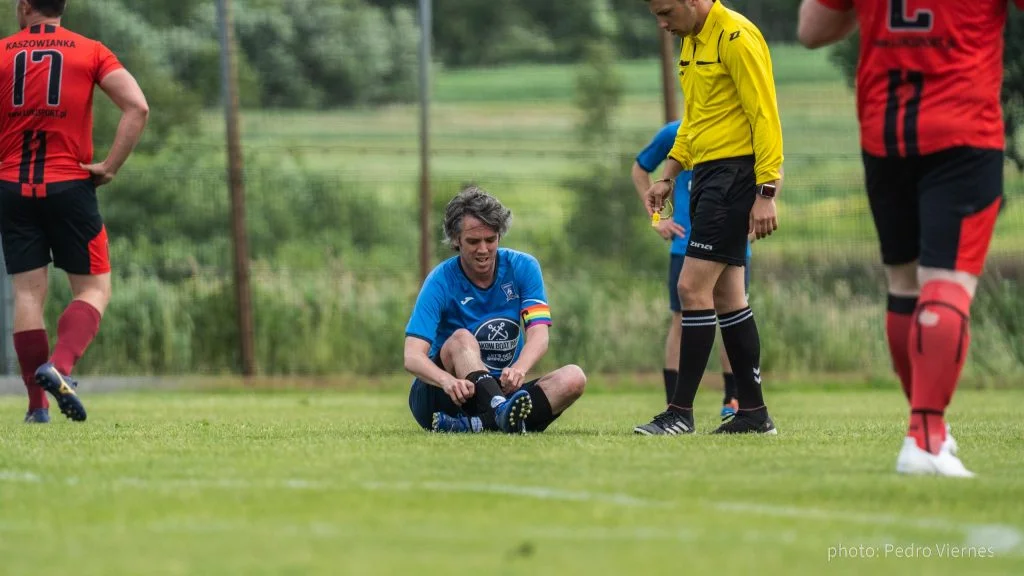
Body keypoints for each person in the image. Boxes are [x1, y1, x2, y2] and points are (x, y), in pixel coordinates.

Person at [797, 0, 1022, 476]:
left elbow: (812, 30)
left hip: (885, 130)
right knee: (947, 283)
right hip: (964, 131)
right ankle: (923, 436)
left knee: (904, 284)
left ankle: (928, 433)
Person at [635, 0, 783, 436]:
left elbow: (765, 114)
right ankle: (753, 413)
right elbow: (695, 121)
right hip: (706, 177)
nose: (662, 24)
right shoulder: (690, 42)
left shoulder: (736, 36)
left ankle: (679, 412)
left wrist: (767, 190)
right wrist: (669, 176)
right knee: (728, 298)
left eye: (666, 12)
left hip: (735, 176)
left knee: (690, 288)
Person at [1, 0, 149, 423]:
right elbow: (137, 107)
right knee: (95, 289)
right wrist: (109, 167)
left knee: (28, 293)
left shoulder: (2, 52)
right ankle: (60, 367)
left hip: (11, 186)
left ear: (25, 6)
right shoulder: (91, 51)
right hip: (70, 185)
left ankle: (36, 408)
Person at [404, 185, 586, 434]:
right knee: (461, 339)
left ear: (500, 235)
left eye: (490, 240)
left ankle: (476, 424)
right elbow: (412, 356)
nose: (483, 250)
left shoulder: (523, 267)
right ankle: (498, 412)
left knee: (573, 378)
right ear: (456, 240)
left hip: (504, 390)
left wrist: (519, 369)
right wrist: (447, 381)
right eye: (473, 241)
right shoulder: (440, 280)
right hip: (445, 396)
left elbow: (539, 335)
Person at [632, 119, 754, 420]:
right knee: (681, 319)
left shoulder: (741, 124)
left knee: (732, 314)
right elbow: (640, 169)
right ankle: (676, 403)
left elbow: (773, 167)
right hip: (685, 243)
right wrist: (657, 220)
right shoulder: (676, 133)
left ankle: (736, 399)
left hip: (731, 239)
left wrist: (762, 204)